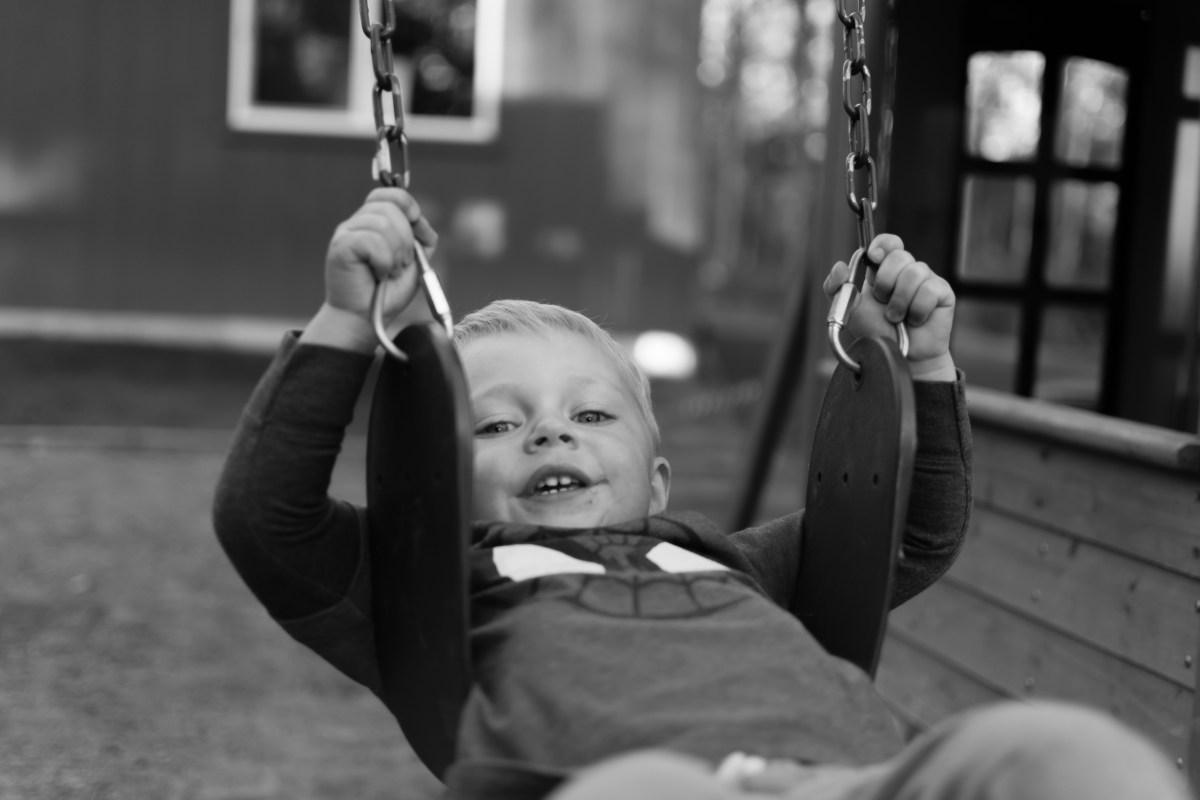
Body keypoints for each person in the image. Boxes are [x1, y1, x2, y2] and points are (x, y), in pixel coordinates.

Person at [213, 188, 1191, 800]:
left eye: (591, 414)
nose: (550, 432)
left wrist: (922, 361)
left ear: (659, 480)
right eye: (497, 425)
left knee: (1066, 752)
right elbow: (266, 520)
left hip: (851, 781)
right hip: (626, 783)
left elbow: (911, 535)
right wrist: (347, 323)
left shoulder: (727, 562)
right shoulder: (428, 583)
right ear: (434, 487)